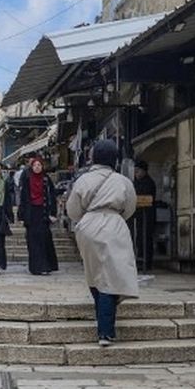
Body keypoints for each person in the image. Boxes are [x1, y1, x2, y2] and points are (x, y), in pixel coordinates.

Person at [67, 139, 139, 346]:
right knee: (112, 276)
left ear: (93, 157)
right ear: (114, 159)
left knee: (95, 273)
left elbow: (73, 210)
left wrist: (88, 219)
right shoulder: (123, 181)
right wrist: (113, 217)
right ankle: (105, 331)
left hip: (88, 225)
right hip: (114, 224)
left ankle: (103, 318)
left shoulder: (83, 180)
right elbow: (130, 207)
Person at [17, 157, 59, 276]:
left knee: (45, 239)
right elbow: (23, 198)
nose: (37, 167)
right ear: (31, 167)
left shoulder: (46, 179)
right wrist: (21, 215)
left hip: (43, 213)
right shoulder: (27, 179)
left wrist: (52, 213)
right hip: (31, 214)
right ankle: (36, 267)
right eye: (35, 165)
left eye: (39, 165)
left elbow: (52, 196)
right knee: (33, 241)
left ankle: (46, 266)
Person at [131, 161, 158, 272]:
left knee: (146, 238)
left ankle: (146, 262)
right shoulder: (135, 182)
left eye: (138, 171)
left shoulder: (149, 183)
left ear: (144, 171)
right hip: (138, 215)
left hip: (147, 214)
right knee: (139, 239)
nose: (136, 173)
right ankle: (139, 260)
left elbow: (147, 198)